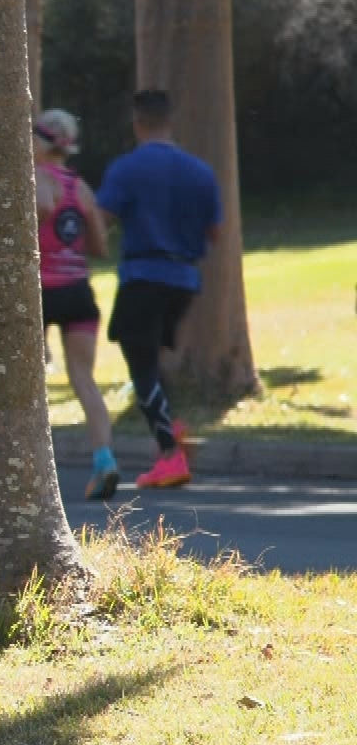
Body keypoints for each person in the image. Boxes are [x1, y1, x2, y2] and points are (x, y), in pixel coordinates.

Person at [97, 89, 223, 490]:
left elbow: (102, 220)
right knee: (151, 357)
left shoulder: (127, 168)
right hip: (184, 280)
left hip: (143, 274)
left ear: (137, 123)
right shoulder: (201, 171)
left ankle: (169, 454)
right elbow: (215, 232)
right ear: (171, 121)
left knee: (140, 363)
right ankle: (173, 425)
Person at [31, 109, 118, 499]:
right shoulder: (81, 189)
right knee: (84, 379)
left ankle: (30, 470)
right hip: (79, 291)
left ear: (41, 141)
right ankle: (105, 461)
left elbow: (37, 216)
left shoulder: (36, 181)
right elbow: (100, 245)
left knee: (28, 384)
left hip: (41, 292)